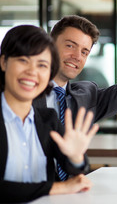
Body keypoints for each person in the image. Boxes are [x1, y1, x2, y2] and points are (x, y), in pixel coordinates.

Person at [0, 25, 99, 203]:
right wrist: (58, 187)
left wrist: (75, 157)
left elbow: (76, 171)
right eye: (23, 60)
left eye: (42, 65)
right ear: (4, 62)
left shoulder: (48, 120)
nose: (32, 72)